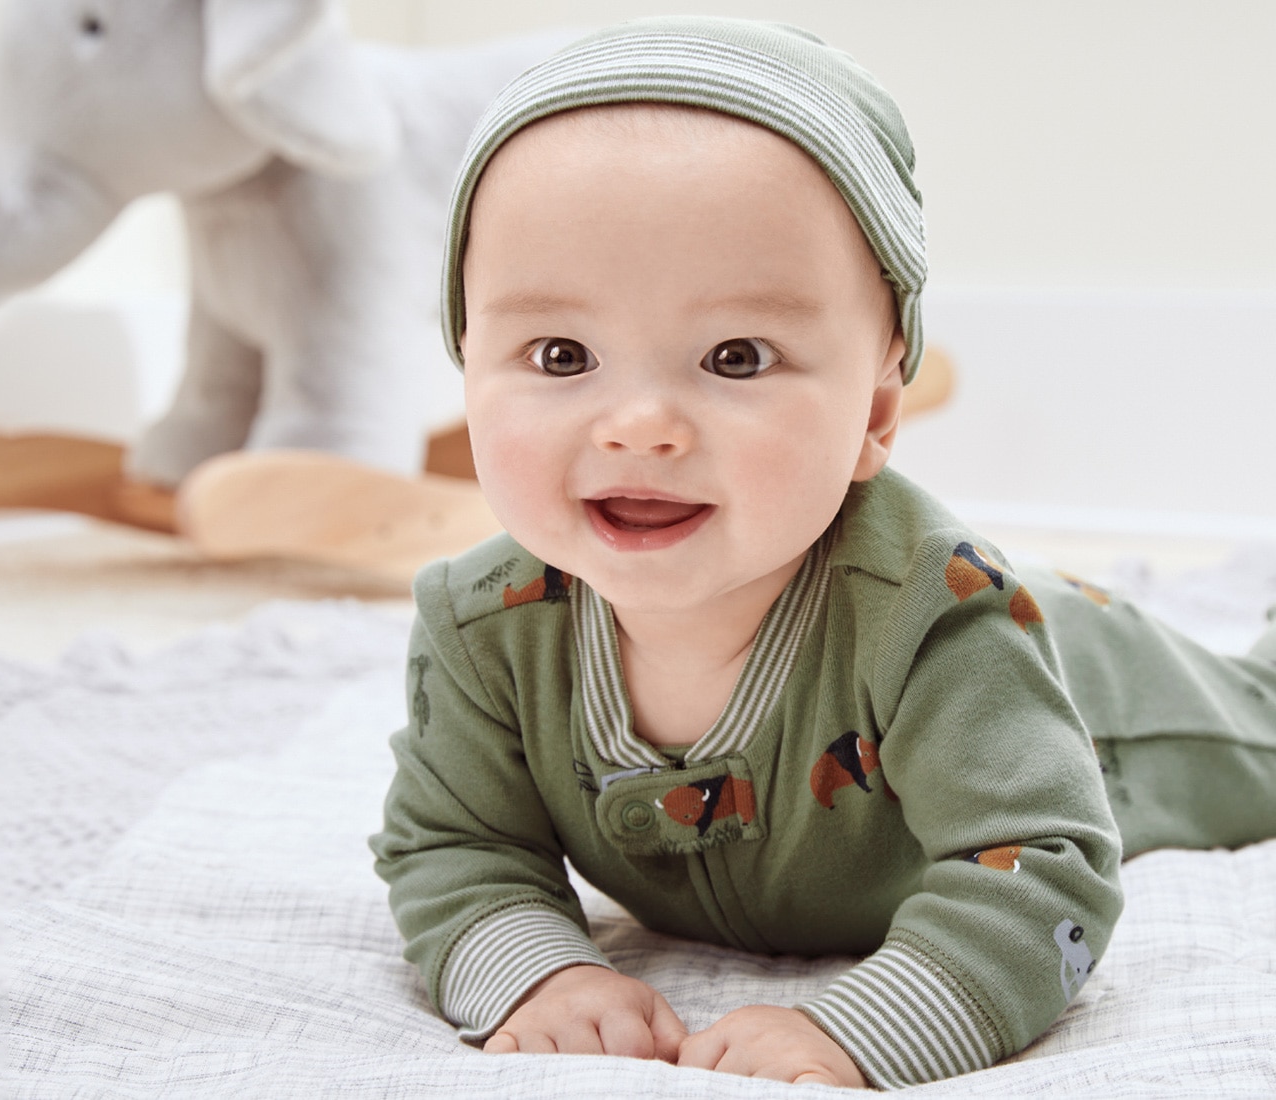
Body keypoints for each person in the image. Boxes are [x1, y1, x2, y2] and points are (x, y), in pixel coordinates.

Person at [369, 15, 1276, 1089]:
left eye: (735, 355)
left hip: (1103, 702)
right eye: (560, 353)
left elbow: (1040, 863)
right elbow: (455, 846)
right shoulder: (484, 627)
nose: (640, 425)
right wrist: (535, 973)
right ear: (465, 362)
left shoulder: (931, 619)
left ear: (875, 414)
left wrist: (859, 1027)